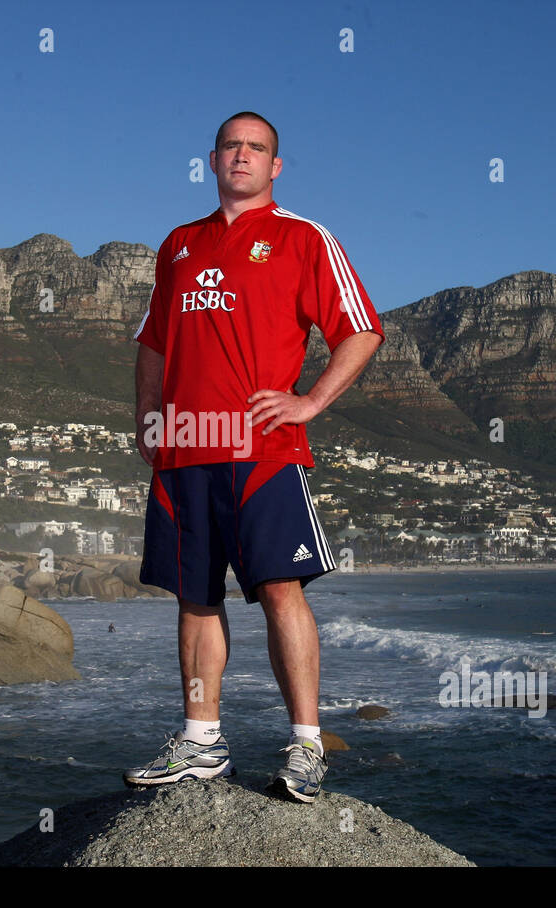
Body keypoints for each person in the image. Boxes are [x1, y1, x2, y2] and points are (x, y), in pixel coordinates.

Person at [125, 111, 384, 803]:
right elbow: (153, 342)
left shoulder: (303, 238)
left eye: (257, 148)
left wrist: (309, 403)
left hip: (263, 451)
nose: (243, 156)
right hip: (183, 450)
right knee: (195, 597)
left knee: (278, 590)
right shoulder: (178, 244)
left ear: (276, 167)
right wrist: (148, 416)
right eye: (231, 146)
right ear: (212, 161)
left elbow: (360, 330)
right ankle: (201, 740)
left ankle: (305, 746)